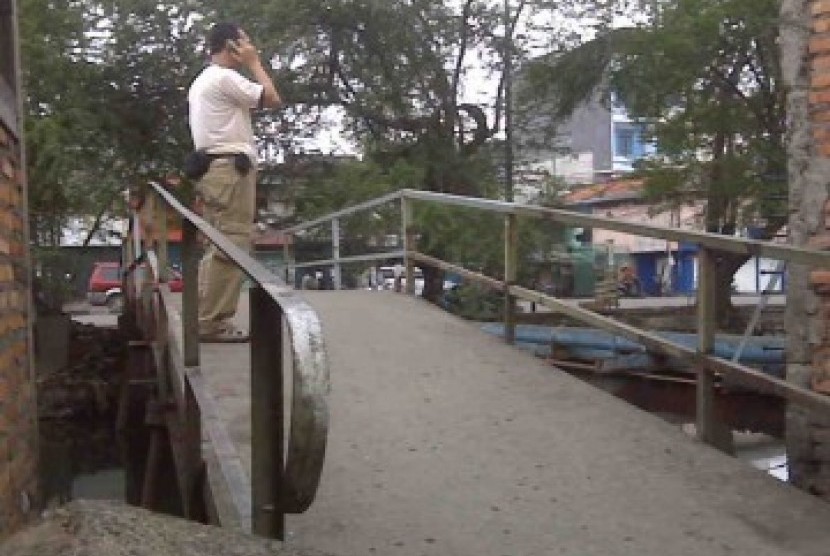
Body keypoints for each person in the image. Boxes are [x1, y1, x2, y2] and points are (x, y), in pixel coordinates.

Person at [188, 23, 281, 342]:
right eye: (246, 42)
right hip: (229, 170)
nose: (251, 46)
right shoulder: (225, 77)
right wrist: (255, 63)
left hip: (214, 170)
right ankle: (212, 323)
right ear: (232, 46)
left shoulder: (204, 80)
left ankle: (204, 317)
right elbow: (271, 98)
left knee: (218, 244)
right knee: (232, 243)